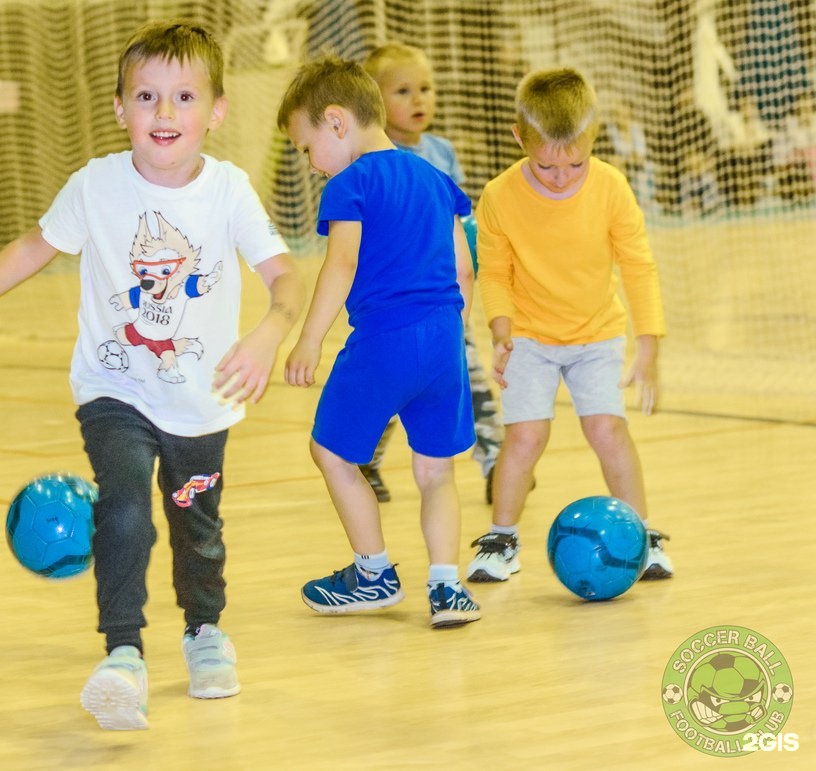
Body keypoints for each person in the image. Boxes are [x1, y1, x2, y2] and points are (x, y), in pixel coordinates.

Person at [0, 21, 303, 730]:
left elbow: (285, 279)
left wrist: (270, 334)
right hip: (114, 386)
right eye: (146, 95)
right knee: (123, 506)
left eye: (184, 96)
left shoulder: (230, 191)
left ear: (216, 111)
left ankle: (205, 630)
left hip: (203, 397)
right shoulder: (95, 185)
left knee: (198, 528)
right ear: (119, 108)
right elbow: (34, 246)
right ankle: (122, 655)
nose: (164, 112)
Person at [277, 56, 482, 628]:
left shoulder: (351, 184)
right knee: (436, 471)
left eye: (305, 146)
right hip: (444, 339)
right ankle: (448, 587)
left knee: (331, 452)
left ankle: (372, 574)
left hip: (383, 341)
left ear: (337, 122)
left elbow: (340, 264)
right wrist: (448, 332)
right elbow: (464, 270)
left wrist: (309, 340)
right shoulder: (435, 178)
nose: (310, 162)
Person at [465, 68, 675, 584]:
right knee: (525, 438)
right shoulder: (499, 196)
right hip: (530, 336)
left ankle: (642, 536)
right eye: (545, 165)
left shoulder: (610, 187)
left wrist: (648, 343)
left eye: (575, 163)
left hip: (597, 333)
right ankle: (502, 540)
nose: (560, 176)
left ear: (593, 139)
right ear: (521, 139)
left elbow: (638, 264)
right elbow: (494, 271)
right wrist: (500, 328)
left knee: (606, 428)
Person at [357, 41, 505, 504]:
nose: (418, 99)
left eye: (425, 88)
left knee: (471, 378)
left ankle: (497, 463)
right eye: (403, 91)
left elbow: (458, 219)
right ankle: (364, 460)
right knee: (395, 389)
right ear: (375, 104)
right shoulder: (373, 162)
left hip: (445, 299)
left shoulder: (441, 152)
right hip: (399, 307)